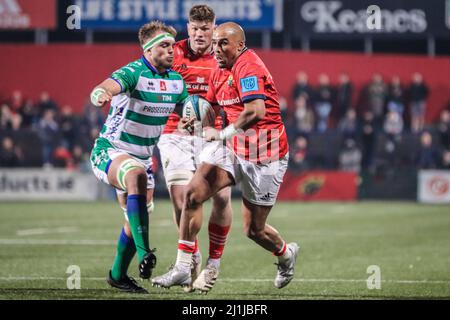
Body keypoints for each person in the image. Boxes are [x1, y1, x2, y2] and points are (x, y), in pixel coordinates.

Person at [152, 22, 299, 292]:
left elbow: (255, 110)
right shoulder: (219, 70)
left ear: (239, 46)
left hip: (263, 151)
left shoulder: (248, 65)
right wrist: (194, 122)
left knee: (254, 230)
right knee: (193, 194)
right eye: (215, 42)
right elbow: (212, 108)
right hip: (232, 145)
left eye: (223, 43)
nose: (216, 48)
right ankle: (183, 267)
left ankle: (286, 254)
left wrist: (221, 134)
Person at [89, 20, 187, 294]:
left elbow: (187, 114)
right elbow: (107, 86)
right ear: (148, 50)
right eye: (165, 46)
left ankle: (118, 275)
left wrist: (197, 119)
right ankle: (146, 254)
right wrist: (101, 93)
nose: (171, 51)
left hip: (143, 159)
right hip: (110, 151)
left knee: (137, 217)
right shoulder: (133, 72)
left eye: (173, 46)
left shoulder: (177, 82)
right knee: (135, 176)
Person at [157, 4, 233, 293]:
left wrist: (217, 123)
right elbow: (156, 84)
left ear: (214, 29)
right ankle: (191, 259)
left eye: (205, 29)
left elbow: (235, 95)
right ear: (188, 28)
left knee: (223, 198)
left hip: (212, 134)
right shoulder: (172, 53)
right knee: (181, 199)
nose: (200, 34)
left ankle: (213, 264)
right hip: (175, 131)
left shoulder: (223, 56)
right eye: (194, 28)